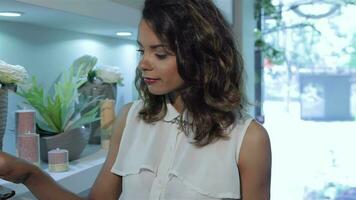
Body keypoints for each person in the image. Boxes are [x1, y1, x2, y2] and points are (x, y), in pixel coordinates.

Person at [0, 0, 271, 199]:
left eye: (160, 54)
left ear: (202, 56)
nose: (143, 64)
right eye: (142, 50)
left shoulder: (248, 140)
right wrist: (29, 175)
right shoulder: (131, 119)